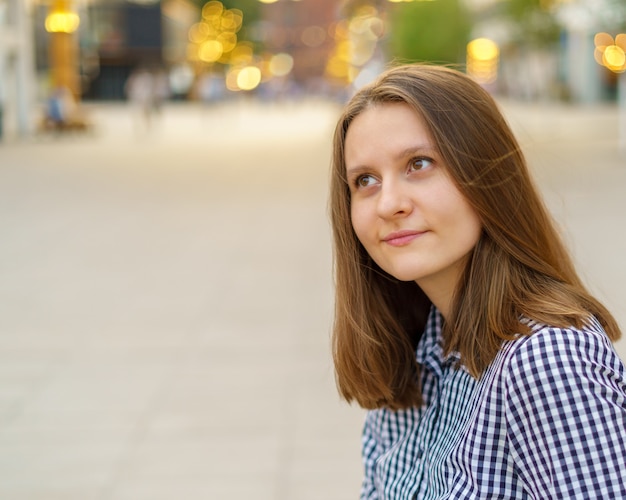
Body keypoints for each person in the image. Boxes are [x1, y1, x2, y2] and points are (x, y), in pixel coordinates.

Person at [329, 64, 626, 499]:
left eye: (419, 164)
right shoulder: (418, 356)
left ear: (487, 175)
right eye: (365, 181)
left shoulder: (545, 360)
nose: (388, 203)